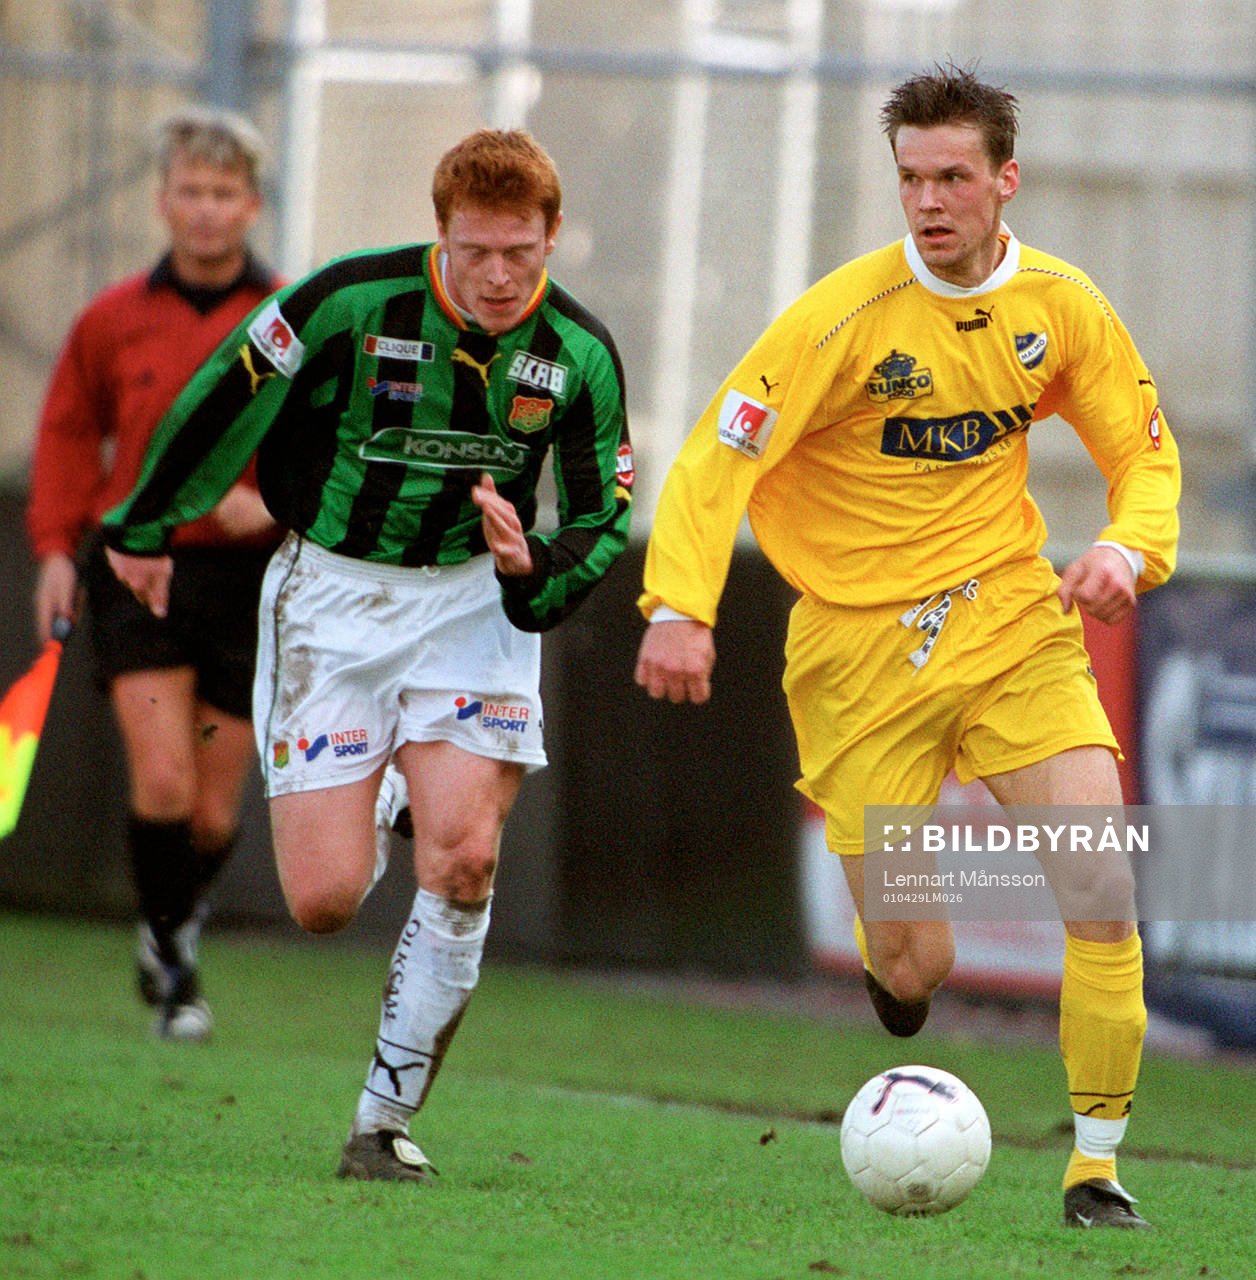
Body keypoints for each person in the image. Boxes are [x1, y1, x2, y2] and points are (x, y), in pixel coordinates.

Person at [634, 63, 1180, 1229]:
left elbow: (1143, 450)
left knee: (1099, 884)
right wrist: (679, 604)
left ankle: (1096, 1169)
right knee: (913, 960)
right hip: (857, 653)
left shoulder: (1062, 307)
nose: (929, 200)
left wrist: (1129, 551)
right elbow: (717, 453)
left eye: (953, 177)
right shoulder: (841, 318)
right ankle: (899, 983)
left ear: (1004, 182)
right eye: (911, 178)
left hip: (1007, 619)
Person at [101, 128, 633, 1180]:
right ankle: (393, 790)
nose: (497, 275)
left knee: (467, 856)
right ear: (442, 232)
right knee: (324, 899)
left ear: (551, 236)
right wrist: (147, 522)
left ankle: (381, 1122)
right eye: (477, 250)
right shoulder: (347, 298)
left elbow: (605, 510)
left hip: (472, 608)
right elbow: (223, 388)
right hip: (333, 600)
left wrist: (535, 569)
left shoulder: (579, 352)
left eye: (520, 252)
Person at [26, 108, 282, 1042]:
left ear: (250, 204)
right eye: (190, 192)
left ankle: (163, 924)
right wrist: (57, 549)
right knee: (165, 784)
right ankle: (176, 973)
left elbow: (332, 442)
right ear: (162, 201)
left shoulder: (291, 318)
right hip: (137, 571)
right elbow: (64, 436)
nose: (206, 212)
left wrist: (278, 505)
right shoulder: (112, 318)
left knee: (214, 812)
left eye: (224, 194)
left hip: (249, 583)